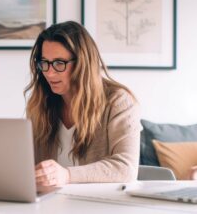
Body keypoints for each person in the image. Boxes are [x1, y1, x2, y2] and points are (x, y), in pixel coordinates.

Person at [24, 21, 141, 186]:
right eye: (45, 63)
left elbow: (126, 168)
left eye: (59, 63)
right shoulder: (40, 104)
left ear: (82, 64)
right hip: (51, 204)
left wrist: (66, 176)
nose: (49, 73)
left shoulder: (119, 102)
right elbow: (30, 165)